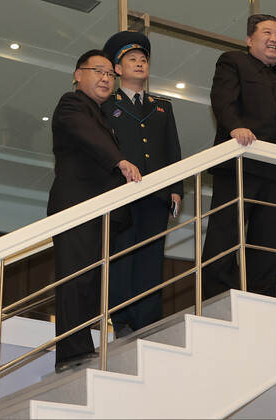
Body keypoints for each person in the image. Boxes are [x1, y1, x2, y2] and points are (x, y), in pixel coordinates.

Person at [203, 14, 276, 298]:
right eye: (267, 32)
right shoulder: (233, 61)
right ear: (249, 40)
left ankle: (260, 301)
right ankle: (214, 300)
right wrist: (235, 127)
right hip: (240, 166)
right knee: (225, 235)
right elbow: (222, 99)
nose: (275, 38)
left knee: (269, 245)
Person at [47, 49, 141, 373]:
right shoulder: (71, 104)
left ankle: (82, 349)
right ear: (77, 75)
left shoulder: (101, 115)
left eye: (109, 74)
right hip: (77, 207)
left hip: (101, 212)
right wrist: (120, 160)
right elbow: (88, 139)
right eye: (97, 71)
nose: (105, 78)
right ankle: (72, 354)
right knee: (76, 281)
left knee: (92, 284)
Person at [101, 30, 183, 337]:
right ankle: (122, 318)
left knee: (151, 256)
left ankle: (148, 319)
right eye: (131, 59)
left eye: (143, 59)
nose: (139, 64)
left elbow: (172, 149)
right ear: (118, 69)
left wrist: (177, 188)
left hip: (158, 192)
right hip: (123, 192)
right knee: (123, 254)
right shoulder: (107, 105)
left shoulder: (162, 106)